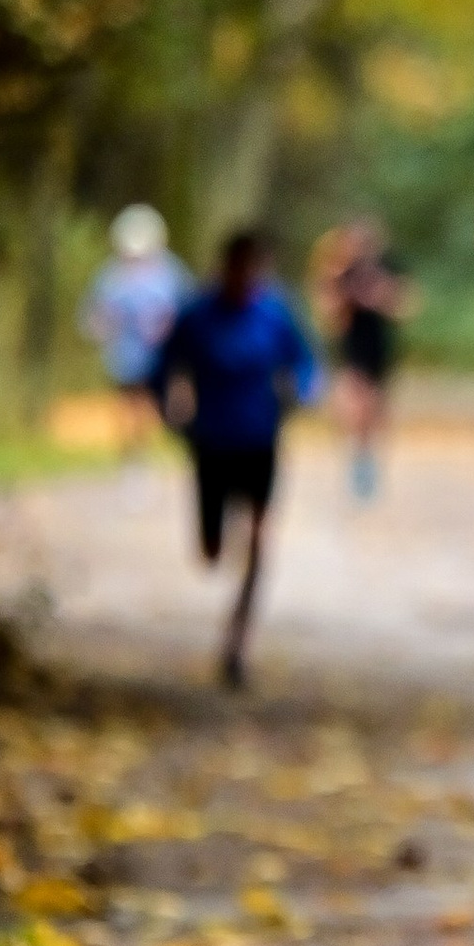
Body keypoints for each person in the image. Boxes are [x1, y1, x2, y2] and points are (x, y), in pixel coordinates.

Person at [149, 229, 320, 687]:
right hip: (210, 444)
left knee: (259, 541)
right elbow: (162, 366)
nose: (245, 277)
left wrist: (302, 394)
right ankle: (222, 535)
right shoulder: (197, 314)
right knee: (210, 552)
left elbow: (306, 362)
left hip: (260, 440)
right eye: (237, 268)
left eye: (253, 269)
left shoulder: (275, 312)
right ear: (224, 267)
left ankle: (236, 642)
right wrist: (170, 414)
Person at [78, 205, 192, 456]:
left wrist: (171, 329)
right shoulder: (111, 275)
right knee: (127, 398)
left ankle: (150, 441)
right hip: (123, 355)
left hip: (160, 354)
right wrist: (104, 325)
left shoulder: (171, 273)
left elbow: (188, 310)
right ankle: (131, 448)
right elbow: (94, 313)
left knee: (154, 397)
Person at [313, 217, 413, 499]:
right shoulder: (343, 272)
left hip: (380, 350)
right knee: (356, 407)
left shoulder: (389, 267)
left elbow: (406, 306)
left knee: (376, 412)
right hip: (352, 351)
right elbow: (329, 315)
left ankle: (368, 461)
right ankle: (358, 460)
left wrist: (381, 297)